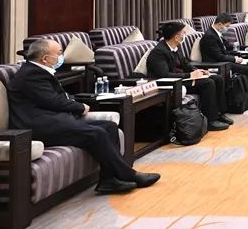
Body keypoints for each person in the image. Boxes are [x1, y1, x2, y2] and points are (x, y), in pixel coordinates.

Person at [8, 39, 160, 194]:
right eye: (59, 53)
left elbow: (57, 98)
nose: (62, 57)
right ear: (45, 59)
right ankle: (129, 174)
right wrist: (79, 107)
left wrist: (76, 103)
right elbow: (52, 100)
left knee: (109, 127)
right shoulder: (31, 74)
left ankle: (109, 180)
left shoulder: (38, 71)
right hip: (40, 126)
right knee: (96, 133)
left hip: (53, 120)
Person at [147, 22, 232, 132]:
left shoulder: (176, 46)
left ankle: (220, 113)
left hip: (182, 79)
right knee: (208, 83)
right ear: (176, 37)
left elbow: (185, 63)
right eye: (183, 33)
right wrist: (189, 75)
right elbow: (165, 75)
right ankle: (211, 120)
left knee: (217, 78)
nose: (185, 35)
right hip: (172, 84)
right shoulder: (159, 52)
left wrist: (196, 70)